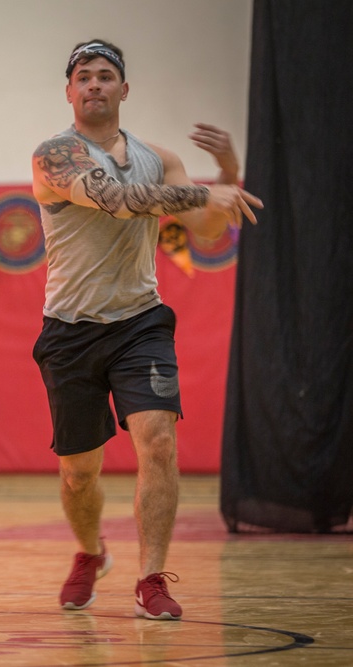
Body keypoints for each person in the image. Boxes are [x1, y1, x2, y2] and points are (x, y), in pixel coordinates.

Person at [30, 40, 262, 620]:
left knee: (157, 442)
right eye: (83, 77)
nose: (94, 85)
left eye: (106, 76)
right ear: (69, 91)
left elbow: (208, 229)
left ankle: (151, 578)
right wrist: (206, 190)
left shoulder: (158, 158)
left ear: (124, 90)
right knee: (79, 471)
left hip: (141, 323)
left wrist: (229, 173)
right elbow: (116, 199)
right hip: (70, 330)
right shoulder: (55, 154)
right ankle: (90, 552)